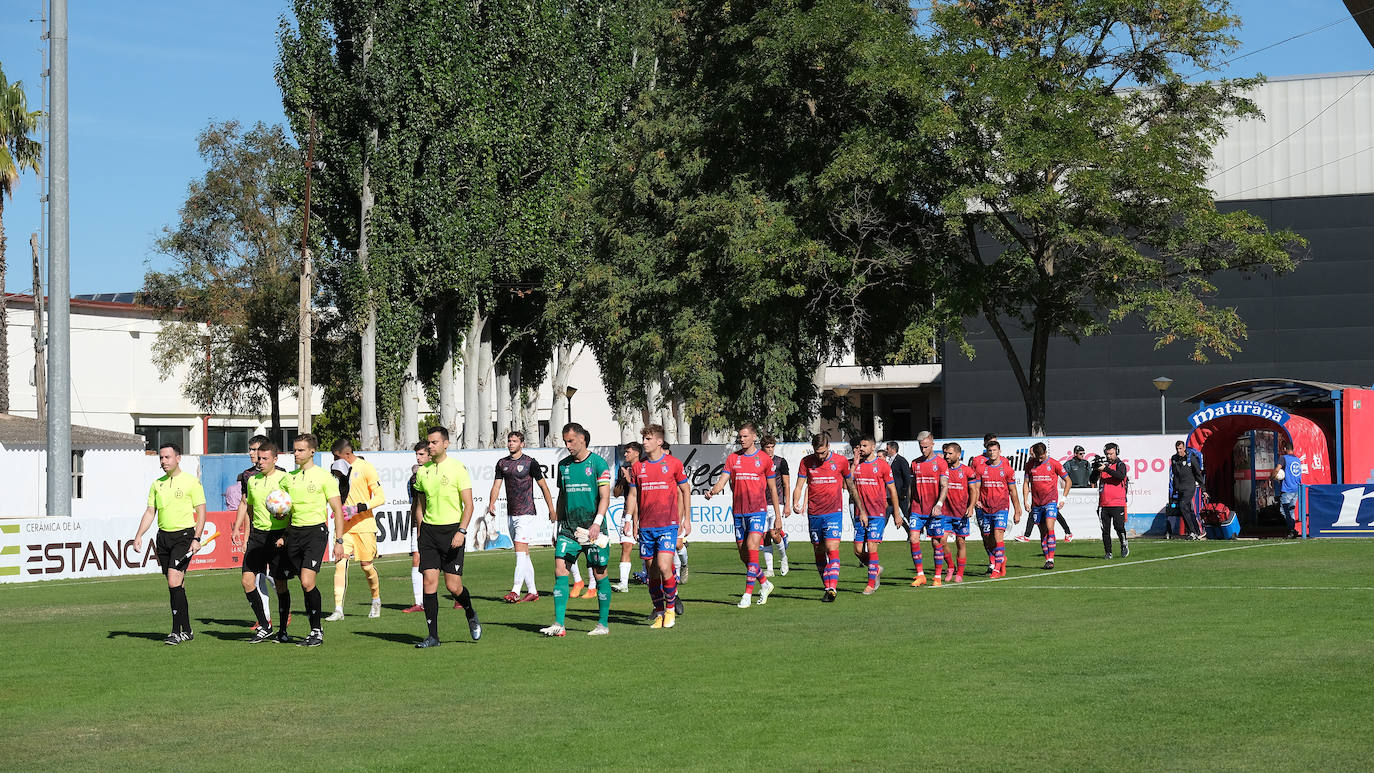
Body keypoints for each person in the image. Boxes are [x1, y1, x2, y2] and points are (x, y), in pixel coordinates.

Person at [540, 423, 614, 636]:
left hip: (594, 530)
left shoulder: (599, 464)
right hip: (569, 530)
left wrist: (597, 522)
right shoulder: (564, 466)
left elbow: (605, 497)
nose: (567, 445)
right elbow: (563, 496)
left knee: (600, 574)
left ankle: (602, 625)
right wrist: (557, 525)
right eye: (565, 441)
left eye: (571, 441)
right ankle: (559, 625)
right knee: (560, 569)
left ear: (582, 439)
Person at [411, 426, 482, 648]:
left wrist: (461, 531)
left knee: (453, 587)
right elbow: (420, 505)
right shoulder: (422, 472)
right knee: (429, 581)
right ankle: (433, 637)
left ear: (445, 444)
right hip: (429, 534)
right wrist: (420, 531)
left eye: (433, 443)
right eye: (428, 443)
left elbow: (469, 505)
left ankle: (470, 611)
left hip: (452, 532)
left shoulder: (457, 468)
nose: (429, 446)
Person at [132, 443, 207, 645]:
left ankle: (175, 631)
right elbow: (150, 512)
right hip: (163, 538)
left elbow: (201, 511)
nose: (164, 461)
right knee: (177, 584)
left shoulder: (191, 482)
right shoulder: (157, 484)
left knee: (174, 581)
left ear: (178, 458)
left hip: (183, 536)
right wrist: (139, 535)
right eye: (161, 458)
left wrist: (196, 538)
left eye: (167, 457)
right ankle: (188, 629)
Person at [279, 434, 344, 647]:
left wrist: (339, 541)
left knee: (307, 582)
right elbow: (283, 509)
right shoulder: (288, 478)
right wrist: (280, 518)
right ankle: (313, 629)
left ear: (311, 452)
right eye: (294, 450)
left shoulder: (325, 477)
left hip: (315, 533)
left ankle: (317, 631)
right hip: (294, 534)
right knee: (304, 585)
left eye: (300, 450)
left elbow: (338, 511)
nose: (295, 454)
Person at [706, 422, 779, 608]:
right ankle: (765, 583)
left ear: (754, 437)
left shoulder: (764, 459)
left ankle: (747, 595)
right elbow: (722, 481)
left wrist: (777, 516)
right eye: (740, 436)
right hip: (739, 512)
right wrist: (712, 492)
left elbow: (773, 489)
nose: (742, 439)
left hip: (757, 510)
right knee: (745, 556)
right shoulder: (733, 459)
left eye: (745, 436)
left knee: (752, 546)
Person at [627, 424, 692, 628]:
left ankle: (671, 610)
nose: (644, 442)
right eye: (644, 439)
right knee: (651, 573)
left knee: (664, 566)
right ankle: (659, 612)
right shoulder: (638, 467)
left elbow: (685, 489)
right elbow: (634, 495)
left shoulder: (673, 464)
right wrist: (631, 520)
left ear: (659, 441)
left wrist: (686, 519)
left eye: (648, 439)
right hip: (646, 526)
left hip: (668, 525)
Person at [792, 432, 866, 602]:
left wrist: (861, 510)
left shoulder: (840, 461)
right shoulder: (806, 462)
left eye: (823, 452)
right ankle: (828, 587)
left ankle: (832, 587)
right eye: (817, 453)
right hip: (814, 513)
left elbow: (851, 487)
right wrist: (795, 503)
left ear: (829, 447)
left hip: (833, 513)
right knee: (818, 550)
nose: (820, 456)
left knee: (832, 548)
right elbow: (799, 486)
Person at [231, 441, 291, 642]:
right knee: (247, 581)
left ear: (275, 459)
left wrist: (286, 533)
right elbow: (246, 505)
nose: (260, 462)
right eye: (258, 458)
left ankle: (283, 630)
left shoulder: (285, 478)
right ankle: (264, 626)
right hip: (257, 536)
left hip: (278, 536)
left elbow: (293, 506)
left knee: (280, 584)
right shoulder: (252, 480)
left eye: (265, 458)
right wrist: (239, 529)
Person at [490, 430, 556, 603]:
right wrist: (492, 503)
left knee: (519, 552)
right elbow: (496, 486)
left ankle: (516, 590)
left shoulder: (530, 463)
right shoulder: (502, 463)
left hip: (526, 512)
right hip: (511, 513)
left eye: (514, 441)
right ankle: (533, 591)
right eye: (509, 441)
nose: (511, 443)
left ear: (522, 444)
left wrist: (551, 509)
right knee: (524, 554)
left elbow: (544, 487)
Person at [326, 439, 386, 621]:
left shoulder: (365, 467)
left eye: (336, 456)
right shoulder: (337, 471)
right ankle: (338, 609)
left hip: (365, 526)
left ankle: (376, 600)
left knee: (367, 566)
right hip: (345, 528)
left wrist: (358, 508)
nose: (335, 460)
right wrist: (338, 510)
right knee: (340, 563)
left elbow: (381, 497)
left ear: (346, 454)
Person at [851, 435, 900, 595]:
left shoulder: (883, 466)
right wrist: (854, 466)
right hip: (860, 513)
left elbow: (892, 490)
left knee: (872, 547)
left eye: (864, 446)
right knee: (858, 550)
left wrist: (897, 513)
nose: (861, 448)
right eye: (860, 446)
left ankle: (871, 584)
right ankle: (876, 568)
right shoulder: (856, 465)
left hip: (877, 513)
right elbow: (848, 486)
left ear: (873, 447)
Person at [968, 439, 1022, 578]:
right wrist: (977, 500)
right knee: (988, 537)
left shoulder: (1007, 469)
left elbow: (1013, 491)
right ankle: (1000, 559)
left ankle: (997, 568)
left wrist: (1017, 510)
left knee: (998, 536)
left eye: (994, 450)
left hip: (1001, 507)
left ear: (1000, 452)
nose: (992, 453)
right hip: (985, 508)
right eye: (990, 451)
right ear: (987, 452)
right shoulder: (981, 468)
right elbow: (977, 487)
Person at [904, 431, 949, 587]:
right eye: (921, 447)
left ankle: (937, 577)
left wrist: (939, 504)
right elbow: (911, 486)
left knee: (937, 543)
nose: (923, 450)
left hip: (935, 509)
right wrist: (909, 505)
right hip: (917, 508)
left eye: (926, 447)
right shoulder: (915, 463)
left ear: (932, 444)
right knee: (913, 539)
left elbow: (944, 486)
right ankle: (920, 575)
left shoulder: (941, 463)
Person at [1021, 442, 1071, 570]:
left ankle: (1051, 558)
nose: (1039, 459)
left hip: (1051, 501)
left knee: (1050, 527)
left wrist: (1063, 498)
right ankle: (1047, 559)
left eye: (1041, 457)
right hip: (1037, 503)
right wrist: (1025, 500)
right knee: (1042, 532)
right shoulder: (1030, 465)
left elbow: (1068, 480)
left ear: (1045, 453)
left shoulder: (1054, 464)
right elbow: (1026, 483)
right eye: (1037, 457)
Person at [933, 442, 973, 583]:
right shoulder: (943, 469)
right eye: (946, 453)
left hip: (961, 512)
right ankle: (950, 566)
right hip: (945, 512)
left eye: (950, 453)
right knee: (941, 541)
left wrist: (972, 506)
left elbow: (974, 490)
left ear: (958, 454)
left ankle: (959, 573)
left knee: (960, 542)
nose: (947, 456)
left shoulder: (967, 471)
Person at [611, 441, 643, 592]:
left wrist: (631, 480)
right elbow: (616, 494)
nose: (625, 454)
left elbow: (639, 492)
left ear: (637, 453)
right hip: (627, 513)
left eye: (628, 452)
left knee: (649, 551)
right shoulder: (623, 470)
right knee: (626, 546)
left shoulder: (644, 468)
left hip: (645, 514)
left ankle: (654, 579)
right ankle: (623, 584)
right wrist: (624, 478)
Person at [402, 441, 429, 613]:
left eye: (421, 455)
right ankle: (419, 602)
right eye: (416, 455)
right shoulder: (413, 478)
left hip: (438, 522)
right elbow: (415, 503)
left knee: (444, 560)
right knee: (417, 559)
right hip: (417, 524)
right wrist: (418, 525)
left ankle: (458, 596)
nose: (418, 458)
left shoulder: (436, 473)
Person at [1090, 443, 1130, 558]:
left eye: (1111, 454)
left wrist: (1106, 468)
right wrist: (1096, 470)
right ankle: (1108, 552)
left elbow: (1120, 476)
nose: (1109, 456)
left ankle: (1124, 544)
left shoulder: (1120, 465)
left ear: (1116, 452)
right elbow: (1092, 480)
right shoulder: (1103, 466)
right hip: (1103, 503)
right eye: (1107, 454)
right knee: (1105, 530)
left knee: (1119, 527)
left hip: (1117, 503)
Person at [761, 435, 790, 577]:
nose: (770, 450)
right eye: (768, 447)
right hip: (760, 503)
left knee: (774, 534)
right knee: (765, 536)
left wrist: (787, 504)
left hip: (776, 503)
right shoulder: (758, 462)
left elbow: (786, 484)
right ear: (763, 448)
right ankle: (770, 569)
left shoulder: (780, 462)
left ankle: (783, 558)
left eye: (772, 447)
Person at [1169, 440, 1206, 540]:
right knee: (1186, 510)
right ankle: (1197, 531)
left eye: (1180, 448)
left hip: (1189, 487)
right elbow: (1175, 476)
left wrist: (1203, 489)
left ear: (1184, 448)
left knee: (1183, 505)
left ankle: (1192, 532)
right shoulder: (1174, 459)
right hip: (1180, 488)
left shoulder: (1191, 458)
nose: (1179, 451)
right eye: (1177, 449)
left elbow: (1198, 474)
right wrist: (1174, 490)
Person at [1274, 441, 1304, 539]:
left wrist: (1271, 477)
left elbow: (1277, 469)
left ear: (1285, 449)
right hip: (1296, 489)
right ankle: (1292, 530)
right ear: (1293, 449)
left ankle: (1291, 530)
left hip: (1287, 489)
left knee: (1284, 511)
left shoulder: (1283, 458)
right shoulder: (1297, 460)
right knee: (1291, 511)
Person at [885, 441, 912, 522]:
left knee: (906, 514)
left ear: (893, 450)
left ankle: (916, 532)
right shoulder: (888, 461)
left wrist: (903, 492)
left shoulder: (901, 461)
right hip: (890, 494)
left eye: (887, 449)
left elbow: (907, 478)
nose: (886, 450)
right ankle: (878, 533)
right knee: (886, 515)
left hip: (900, 495)